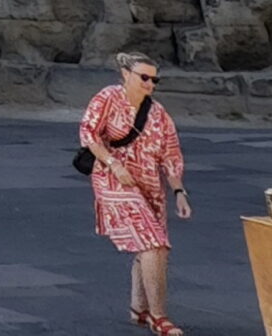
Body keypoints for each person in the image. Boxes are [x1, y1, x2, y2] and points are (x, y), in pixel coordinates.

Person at [81, 52, 189, 336]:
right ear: (126, 74)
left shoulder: (158, 113)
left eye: (154, 79)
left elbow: (171, 153)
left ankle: (138, 308)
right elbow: (89, 133)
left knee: (151, 246)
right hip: (113, 179)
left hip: (150, 185)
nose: (150, 84)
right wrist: (114, 164)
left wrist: (179, 190)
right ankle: (159, 317)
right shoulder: (108, 98)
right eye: (144, 77)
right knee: (154, 243)